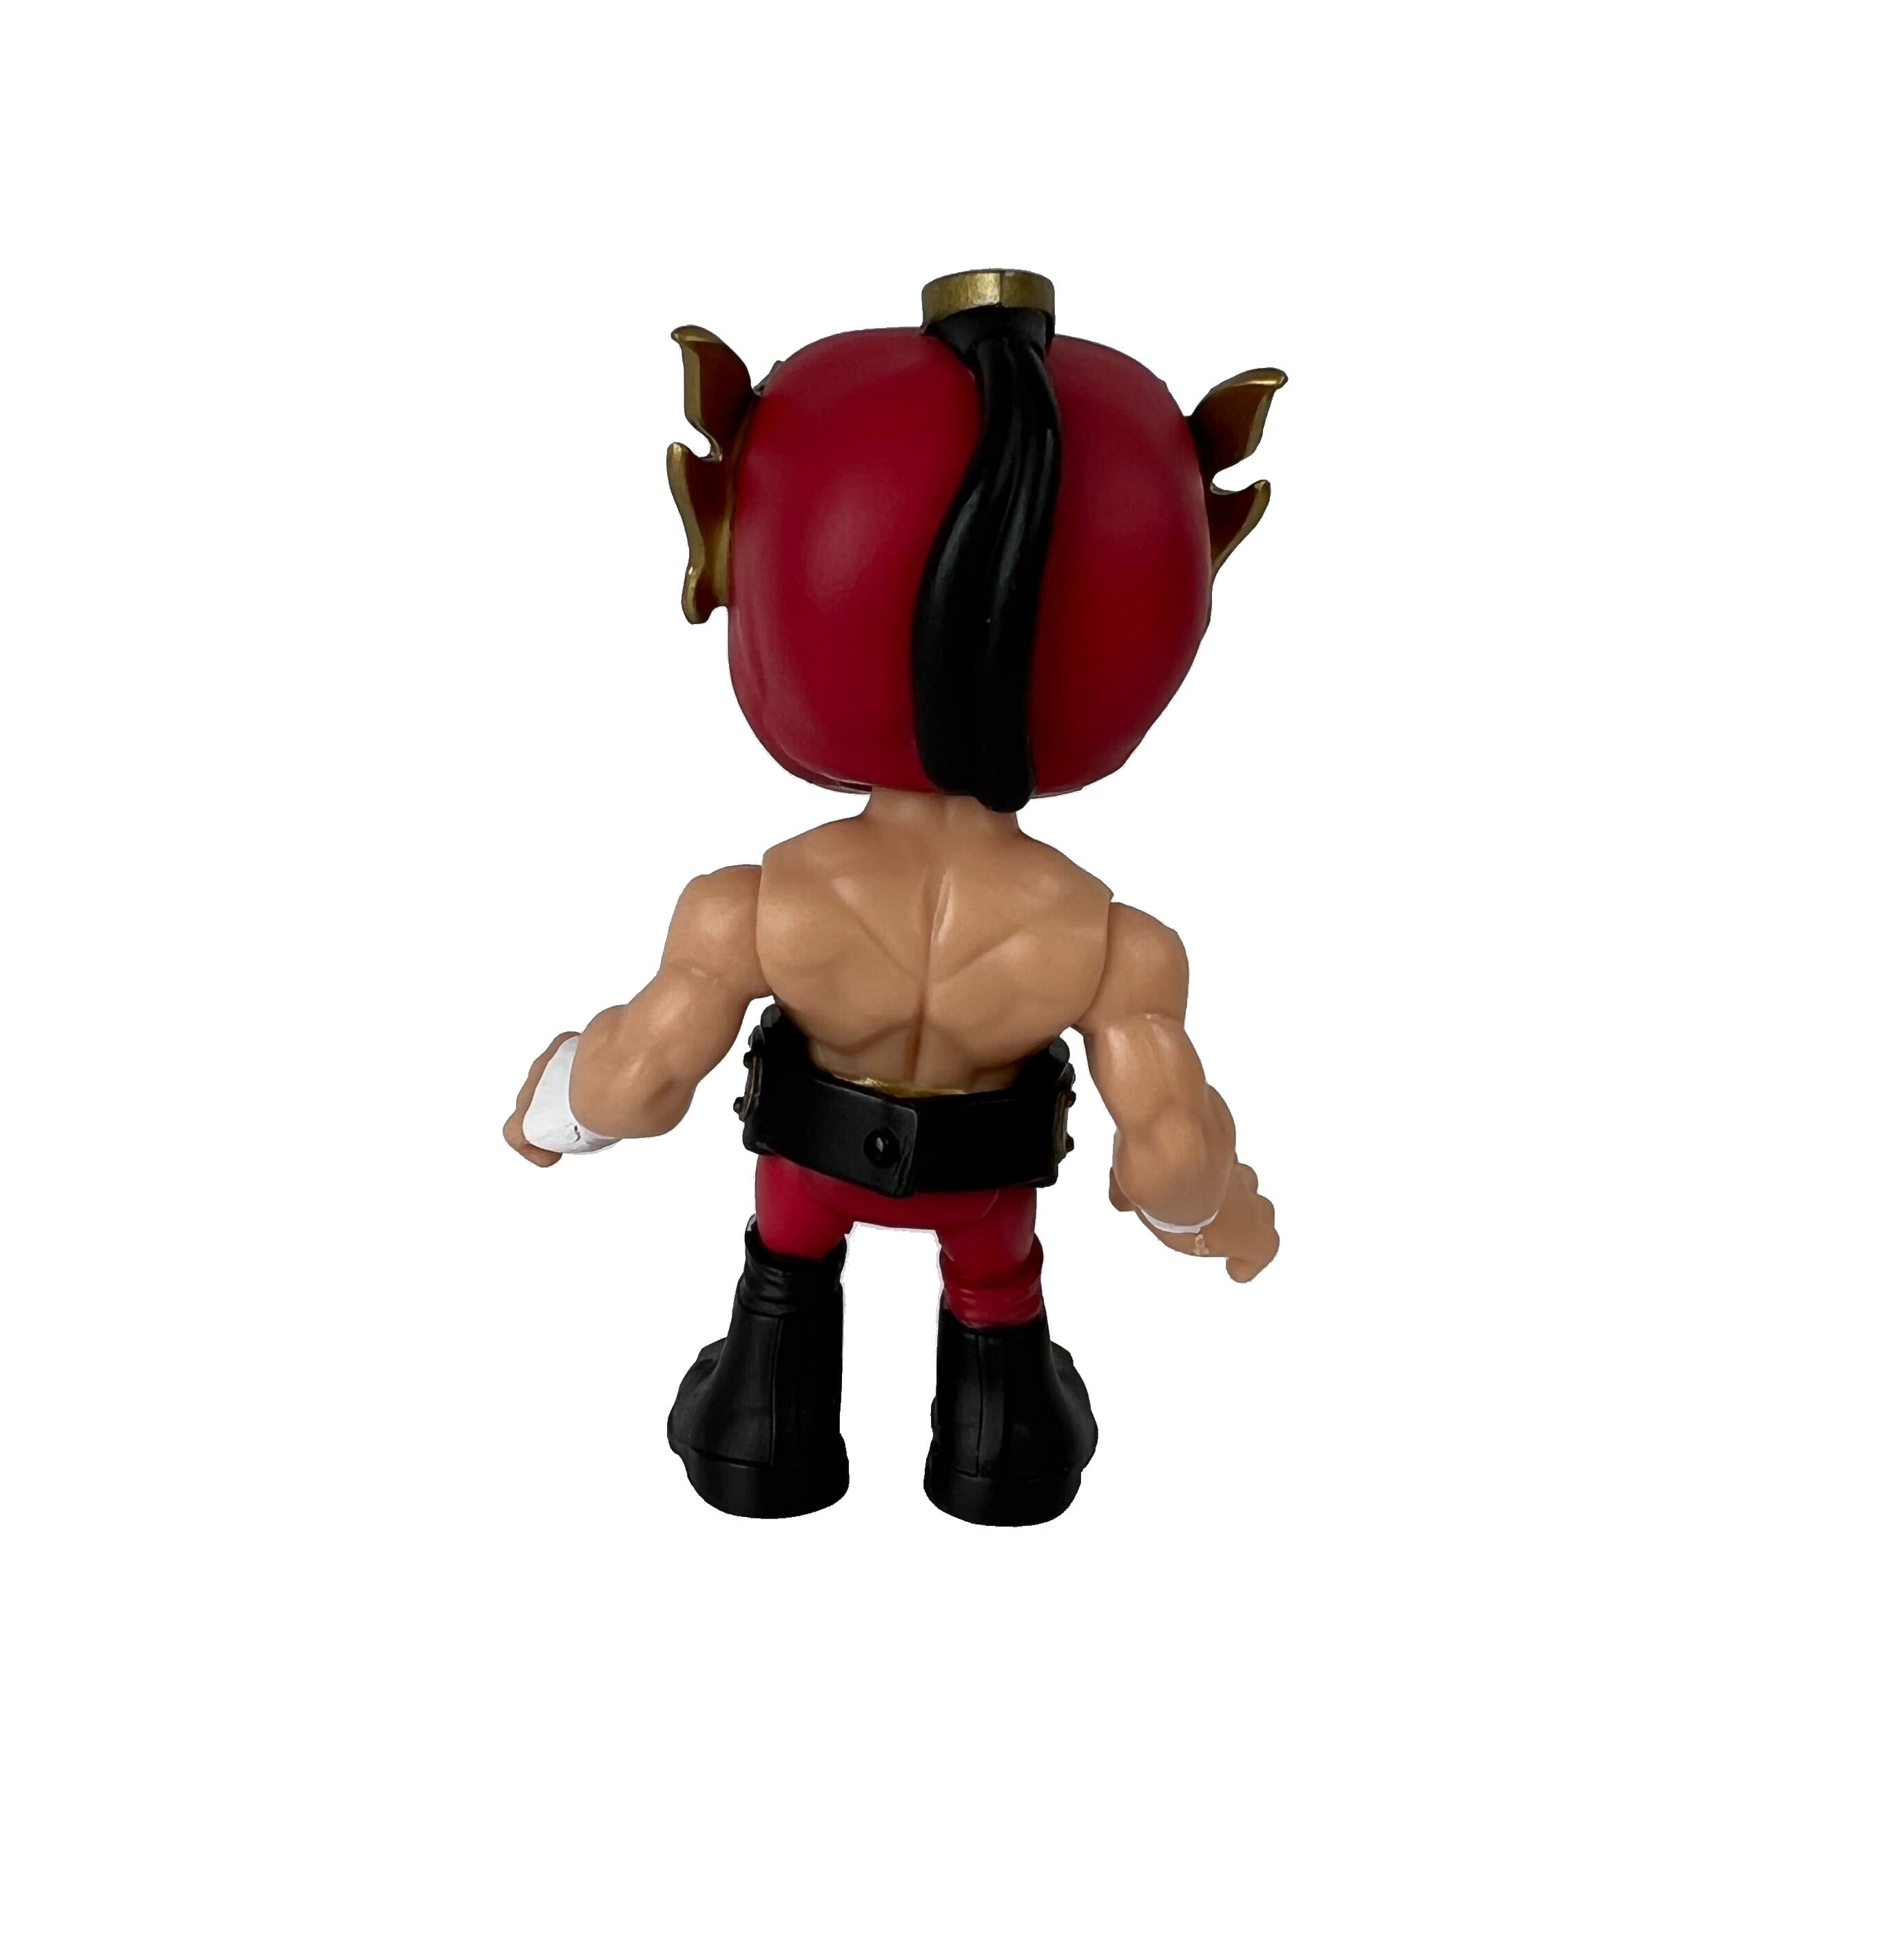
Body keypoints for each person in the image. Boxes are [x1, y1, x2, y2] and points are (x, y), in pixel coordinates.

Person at [504, 269, 1283, 1525]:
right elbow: (1172, 1149)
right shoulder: (1111, 946)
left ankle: (762, 1429)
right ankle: (1002, 1449)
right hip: (987, 1198)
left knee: (784, 1271)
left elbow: (642, 1075)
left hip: (807, 1180)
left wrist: (554, 1105)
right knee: (999, 1292)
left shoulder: (758, 906)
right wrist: (1222, 1218)